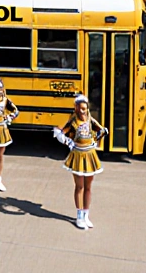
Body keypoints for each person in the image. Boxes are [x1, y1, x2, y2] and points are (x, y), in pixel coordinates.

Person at [54, 93, 106, 229]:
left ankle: (86, 214)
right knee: (79, 186)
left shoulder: (90, 120)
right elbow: (60, 133)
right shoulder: (73, 122)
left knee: (88, 187)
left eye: (85, 108)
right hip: (77, 155)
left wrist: (96, 141)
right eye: (81, 108)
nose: (83, 111)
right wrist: (68, 142)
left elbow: (102, 130)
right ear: (76, 108)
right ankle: (79, 215)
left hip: (90, 155)